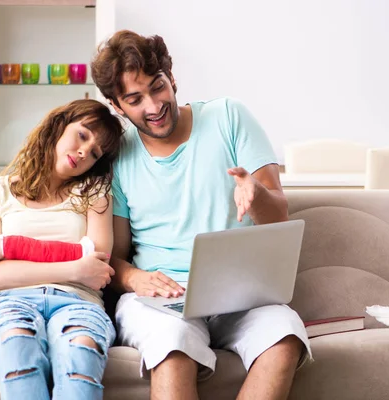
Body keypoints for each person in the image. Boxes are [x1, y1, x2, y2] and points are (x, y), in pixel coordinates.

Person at [91, 30, 312, 400]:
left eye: (157, 87)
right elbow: (115, 256)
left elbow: (279, 219)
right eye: (135, 98)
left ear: (171, 78)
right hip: (161, 300)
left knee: (286, 334)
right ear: (117, 106)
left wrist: (255, 194)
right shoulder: (118, 157)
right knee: (172, 344)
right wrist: (134, 277)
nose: (153, 105)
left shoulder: (229, 116)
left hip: (242, 293)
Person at [0, 99, 124, 400]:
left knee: (81, 355)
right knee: (17, 347)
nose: (83, 151)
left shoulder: (95, 193)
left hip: (78, 302)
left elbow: (98, 263)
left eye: (94, 153)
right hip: (8, 302)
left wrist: (9, 248)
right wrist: (75, 267)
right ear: (59, 125)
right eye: (82, 134)